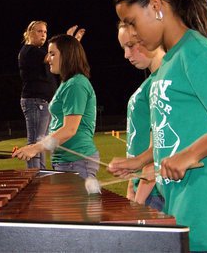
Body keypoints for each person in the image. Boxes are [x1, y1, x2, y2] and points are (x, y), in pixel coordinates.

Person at [108, 0, 207, 252]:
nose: (132, 33)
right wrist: (139, 161)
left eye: (132, 22)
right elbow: (172, 132)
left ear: (156, 5)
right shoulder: (168, 65)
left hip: (205, 208)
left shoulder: (194, 52)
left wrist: (191, 154)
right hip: (180, 204)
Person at [14, 34, 99, 179]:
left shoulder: (76, 84)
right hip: (65, 161)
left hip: (76, 161)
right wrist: (33, 146)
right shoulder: (67, 83)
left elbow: (69, 129)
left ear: (66, 56)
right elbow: (59, 125)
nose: (48, 58)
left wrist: (35, 148)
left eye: (53, 54)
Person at [18, 21, 85, 169]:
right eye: (39, 31)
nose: (43, 35)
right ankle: (35, 177)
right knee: (36, 142)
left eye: (45, 32)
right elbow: (53, 56)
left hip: (43, 102)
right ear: (29, 33)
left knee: (41, 142)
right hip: (36, 102)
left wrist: (70, 44)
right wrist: (68, 42)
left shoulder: (38, 51)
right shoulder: (30, 50)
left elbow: (59, 57)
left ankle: (39, 175)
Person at [117, 21, 165, 211]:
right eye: (124, 48)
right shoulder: (149, 83)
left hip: (154, 195)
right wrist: (131, 186)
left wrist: (138, 201)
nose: (126, 55)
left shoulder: (163, 83)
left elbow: (159, 148)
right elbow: (138, 143)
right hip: (142, 189)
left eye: (130, 46)